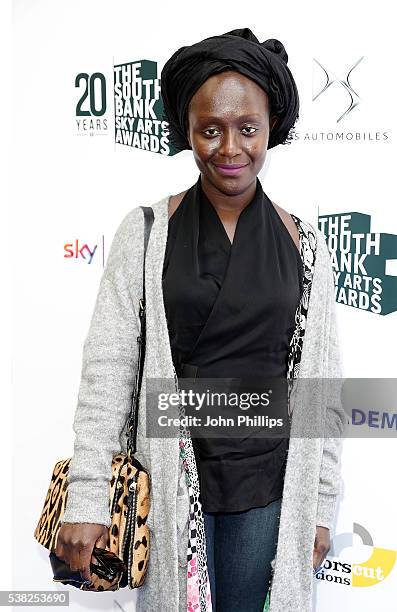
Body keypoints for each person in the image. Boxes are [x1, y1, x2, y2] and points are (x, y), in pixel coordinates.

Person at [56, 28, 346, 612]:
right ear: (186, 132)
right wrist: (87, 499)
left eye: (248, 128)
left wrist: (317, 506)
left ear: (272, 129)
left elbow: (324, 392)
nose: (230, 148)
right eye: (210, 130)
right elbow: (108, 372)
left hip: (268, 487)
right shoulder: (143, 234)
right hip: (169, 480)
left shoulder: (306, 244)